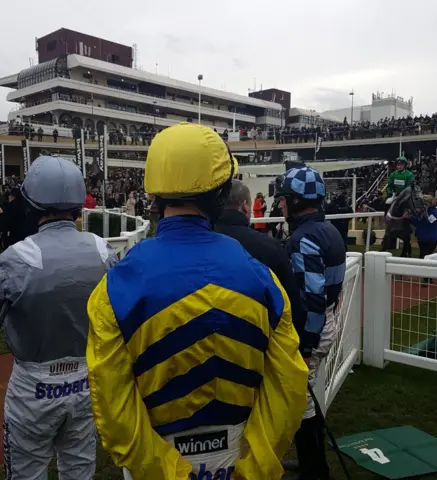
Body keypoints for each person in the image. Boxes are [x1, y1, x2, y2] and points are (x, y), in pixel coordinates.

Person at [87, 123, 308, 480]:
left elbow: (114, 410)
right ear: (222, 194)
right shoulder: (263, 279)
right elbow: (289, 388)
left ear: (154, 196)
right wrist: (253, 467)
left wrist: (166, 470)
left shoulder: (114, 287)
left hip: (154, 460)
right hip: (241, 456)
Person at [0, 156, 117, 480]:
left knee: (26, 474)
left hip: (34, 386)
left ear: (31, 203)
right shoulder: (104, 250)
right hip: (86, 381)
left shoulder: (15, 257)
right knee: (79, 469)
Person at [275, 166, 347, 480]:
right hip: (327, 321)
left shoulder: (304, 238)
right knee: (305, 403)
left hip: (313, 330)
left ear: (295, 200)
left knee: (302, 405)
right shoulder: (328, 230)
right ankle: (312, 465)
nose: (279, 205)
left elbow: (313, 299)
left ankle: (315, 471)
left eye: (282, 199)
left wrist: (306, 344)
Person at [214, 178, 307, 338]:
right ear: (244, 205)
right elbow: (292, 304)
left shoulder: (194, 243)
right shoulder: (270, 247)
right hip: (257, 339)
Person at [412, 194, 437, 285]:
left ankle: (427, 278)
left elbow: (428, 222)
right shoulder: (422, 212)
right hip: (422, 237)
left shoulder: (435, 212)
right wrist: (410, 218)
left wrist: (416, 217)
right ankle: (428, 277)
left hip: (431, 238)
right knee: (425, 256)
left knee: (426, 256)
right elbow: (417, 223)